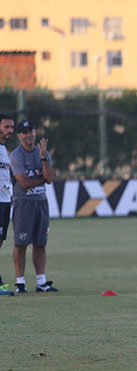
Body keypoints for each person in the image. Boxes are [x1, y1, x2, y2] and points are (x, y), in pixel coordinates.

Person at [10, 119, 57, 293]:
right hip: (23, 203)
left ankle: (41, 282)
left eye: (32, 131)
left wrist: (44, 158)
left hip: (41, 202)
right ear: (19, 135)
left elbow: (50, 179)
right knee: (20, 243)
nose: (29, 135)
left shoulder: (42, 152)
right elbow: (23, 182)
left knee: (40, 243)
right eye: (25, 132)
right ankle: (20, 282)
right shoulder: (16, 155)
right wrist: (42, 179)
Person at [0, 114, 17, 296]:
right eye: (6, 127)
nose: (10, 130)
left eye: (11, 127)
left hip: (5, 201)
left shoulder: (4, 149)